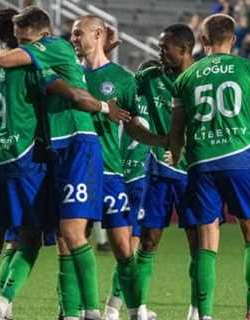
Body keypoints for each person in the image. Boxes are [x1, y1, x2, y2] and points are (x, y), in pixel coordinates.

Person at [0, 7, 130, 320]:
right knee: (48, 236)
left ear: (40, 35)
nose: (20, 44)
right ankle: (64, 311)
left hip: (79, 145)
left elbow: (6, 60)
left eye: (25, 40)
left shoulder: (50, 47)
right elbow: (70, 86)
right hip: (53, 150)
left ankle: (95, 311)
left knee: (74, 233)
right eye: (17, 39)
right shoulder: (44, 61)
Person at [169, 14, 250, 320]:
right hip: (241, 159)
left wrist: (177, 156)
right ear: (232, 39)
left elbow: (176, 133)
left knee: (206, 243)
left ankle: (204, 315)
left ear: (203, 40)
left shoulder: (185, 78)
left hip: (202, 163)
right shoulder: (249, 69)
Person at [70, 15, 166, 320]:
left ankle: (135, 311)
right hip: (76, 170)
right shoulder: (68, 74)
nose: (73, 39)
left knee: (124, 249)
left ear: (97, 33)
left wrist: (161, 140)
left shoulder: (123, 80)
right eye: (71, 35)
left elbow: (135, 125)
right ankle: (76, 311)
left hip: (112, 172)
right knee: (70, 241)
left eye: (77, 34)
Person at [0, 8, 46, 320]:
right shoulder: (25, 63)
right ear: (20, 31)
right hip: (24, 154)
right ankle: (2, 304)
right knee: (31, 235)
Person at [130, 24, 199, 320]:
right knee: (148, 241)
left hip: (194, 173)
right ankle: (139, 309)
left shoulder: (201, 79)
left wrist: (185, 148)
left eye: (164, 48)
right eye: (158, 47)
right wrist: (161, 142)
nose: (159, 53)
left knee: (198, 244)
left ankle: (197, 309)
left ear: (183, 50)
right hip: (157, 171)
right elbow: (123, 101)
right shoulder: (149, 77)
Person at [104, 60, 154, 320]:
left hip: (112, 171)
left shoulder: (122, 96)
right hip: (136, 179)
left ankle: (78, 307)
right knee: (130, 247)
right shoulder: (158, 103)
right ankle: (114, 308)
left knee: (77, 239)